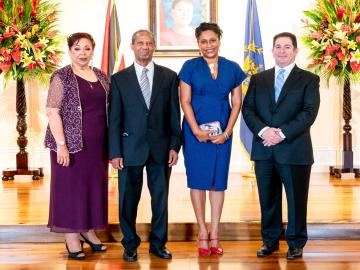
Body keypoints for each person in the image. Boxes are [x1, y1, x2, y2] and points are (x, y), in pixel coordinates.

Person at [242, 32, 320, 260]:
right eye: (278, 46)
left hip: (294, 150)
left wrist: (282, 133)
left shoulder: (308, 79)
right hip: (264, 148)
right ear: (272, 50)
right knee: (268, 198)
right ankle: (270, 241)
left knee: (296, 200)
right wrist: (265, 131)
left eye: (287, 46)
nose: (282, 50)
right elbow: (248, 110)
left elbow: (309, 113)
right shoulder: (259, 79)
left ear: (295, 51)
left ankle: (295, 243)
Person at [108, 29, 181, 262]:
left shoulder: (169, 77)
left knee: (160, 200)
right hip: (129, 150)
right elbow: (115, 119)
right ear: (132, 46)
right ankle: (129, 244)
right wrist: (115, 152)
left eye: (149, 43)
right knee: (128, 200)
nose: (145, 47)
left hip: (161, 149)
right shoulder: (119, 79)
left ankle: (159, 244)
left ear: (154, 47)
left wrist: (174, 146)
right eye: (140, 43)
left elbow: (173, 115)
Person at [179, 22, 246, 256]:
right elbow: (184, 100)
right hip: (194, 131)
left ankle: (215, 232)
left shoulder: (233, 68)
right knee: (198, 180)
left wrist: (227, 132)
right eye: (203, 41)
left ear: (219, 40)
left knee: (218, 181)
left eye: (212, 40)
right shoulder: (189, 66)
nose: (208, 45)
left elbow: (237, 102)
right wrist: (196, 130)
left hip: (222, 132)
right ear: (198, 43)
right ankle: (201, 232)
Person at [44, 32, 109, 260]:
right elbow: (52, 111)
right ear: (70, 50)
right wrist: (62, 145)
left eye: (87, 48)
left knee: (91, 189)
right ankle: (71, 235)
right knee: (70, 191)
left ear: (93, 50)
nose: (83, 53)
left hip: (97, 146)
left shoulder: (101, 76)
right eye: (78, 48)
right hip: (70, 146)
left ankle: (87, 230)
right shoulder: (61, 77)